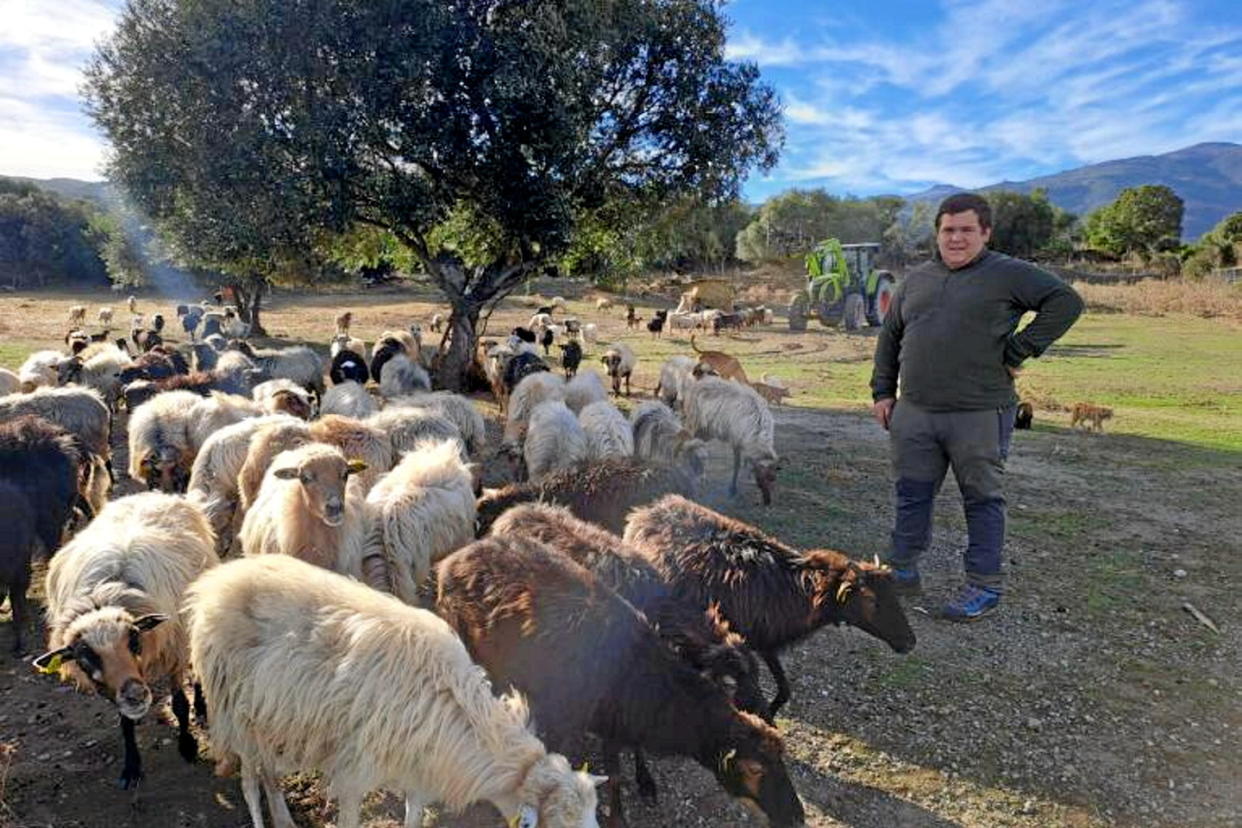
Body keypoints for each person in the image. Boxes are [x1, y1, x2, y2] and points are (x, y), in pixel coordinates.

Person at [870, 193, 1083, 621]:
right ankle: (903, 570)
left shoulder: (1007, 274)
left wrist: (1020, 349)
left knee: (982, 500)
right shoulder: (916, 279)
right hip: (916, 412)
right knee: (911, 494)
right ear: (938, 233)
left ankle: (984, 586)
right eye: (948, 230)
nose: (956, 238)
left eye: (967, 229)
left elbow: (1067, 302)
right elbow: (890, 338)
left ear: (985, 232)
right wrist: (882, 392)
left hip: (979, 413)